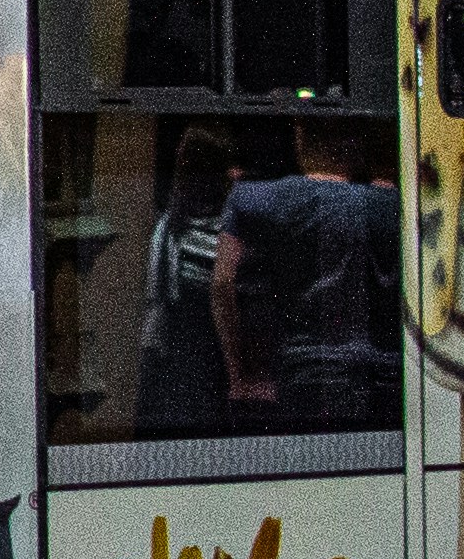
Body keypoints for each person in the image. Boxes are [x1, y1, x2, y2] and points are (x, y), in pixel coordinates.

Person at [211, 112, 403, 432]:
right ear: (355, 143)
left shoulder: (258, 199)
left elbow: (223, 281)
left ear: (300, 137)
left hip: (307, 379)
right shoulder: (397, 204)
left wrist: (241, 376)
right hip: (391, 381)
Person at [125, 125, 238, 437]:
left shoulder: (171, 229)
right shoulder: (230, 229)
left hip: (181, 354)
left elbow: (157, 303)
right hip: (210, 355)